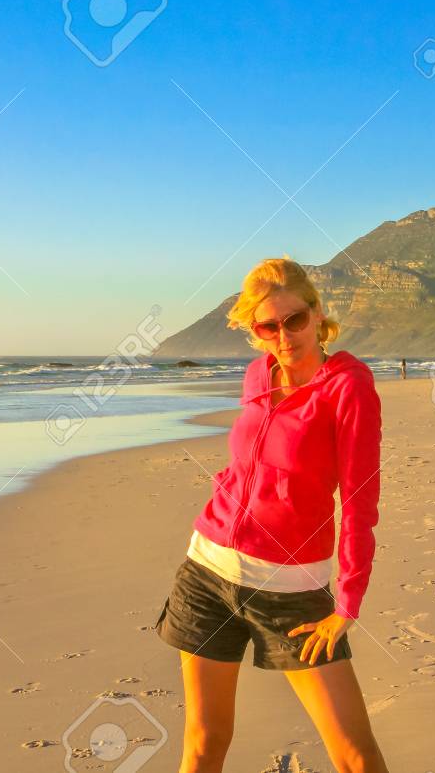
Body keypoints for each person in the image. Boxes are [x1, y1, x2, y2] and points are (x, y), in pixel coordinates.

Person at [153, 256, 390, 773]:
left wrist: (347, 604)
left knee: (354, 755)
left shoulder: (347, 387)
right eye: (268, 326)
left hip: (291, 590)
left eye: (295, 320)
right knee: (203, 743)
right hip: (207, 573)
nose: (284, 336)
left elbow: (358, 502)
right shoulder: (257, 374)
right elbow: (247, 462)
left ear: (316, 314)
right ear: (254, 332)